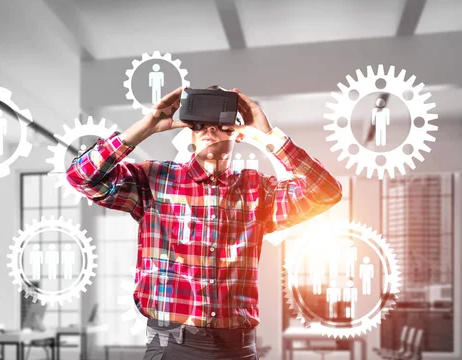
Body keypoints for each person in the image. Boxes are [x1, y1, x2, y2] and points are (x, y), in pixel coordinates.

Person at [66, 85, 342, 359]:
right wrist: (144, 128)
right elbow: (81, 177)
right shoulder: (154, 180)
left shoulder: (258, 190)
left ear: (236, 133)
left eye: (220, 125)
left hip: (237, 348)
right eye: (200, 125)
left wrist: (269, 136)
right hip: (171, 345)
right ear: (190, 133)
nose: (210, 131)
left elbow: (327, 193)